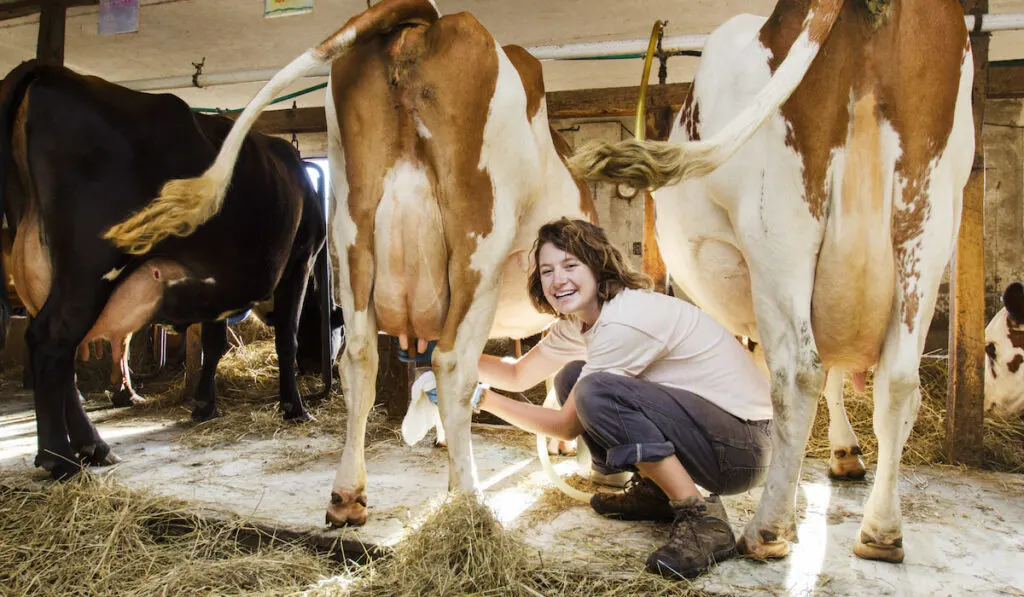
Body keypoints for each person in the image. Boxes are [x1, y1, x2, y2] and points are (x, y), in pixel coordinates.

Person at [473, 218, 773, 579]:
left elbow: (566, 427)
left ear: (598, 267)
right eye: (547, 270)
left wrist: (479, 399)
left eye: (571, 266)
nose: (558, 279)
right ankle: (658, 492)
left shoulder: (622, 320)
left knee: (595, 390)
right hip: (713, 435)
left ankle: (701, 519)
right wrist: (450, 360)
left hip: (744, 448)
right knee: (574, 376)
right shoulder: (579, 321)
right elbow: (518, 375)